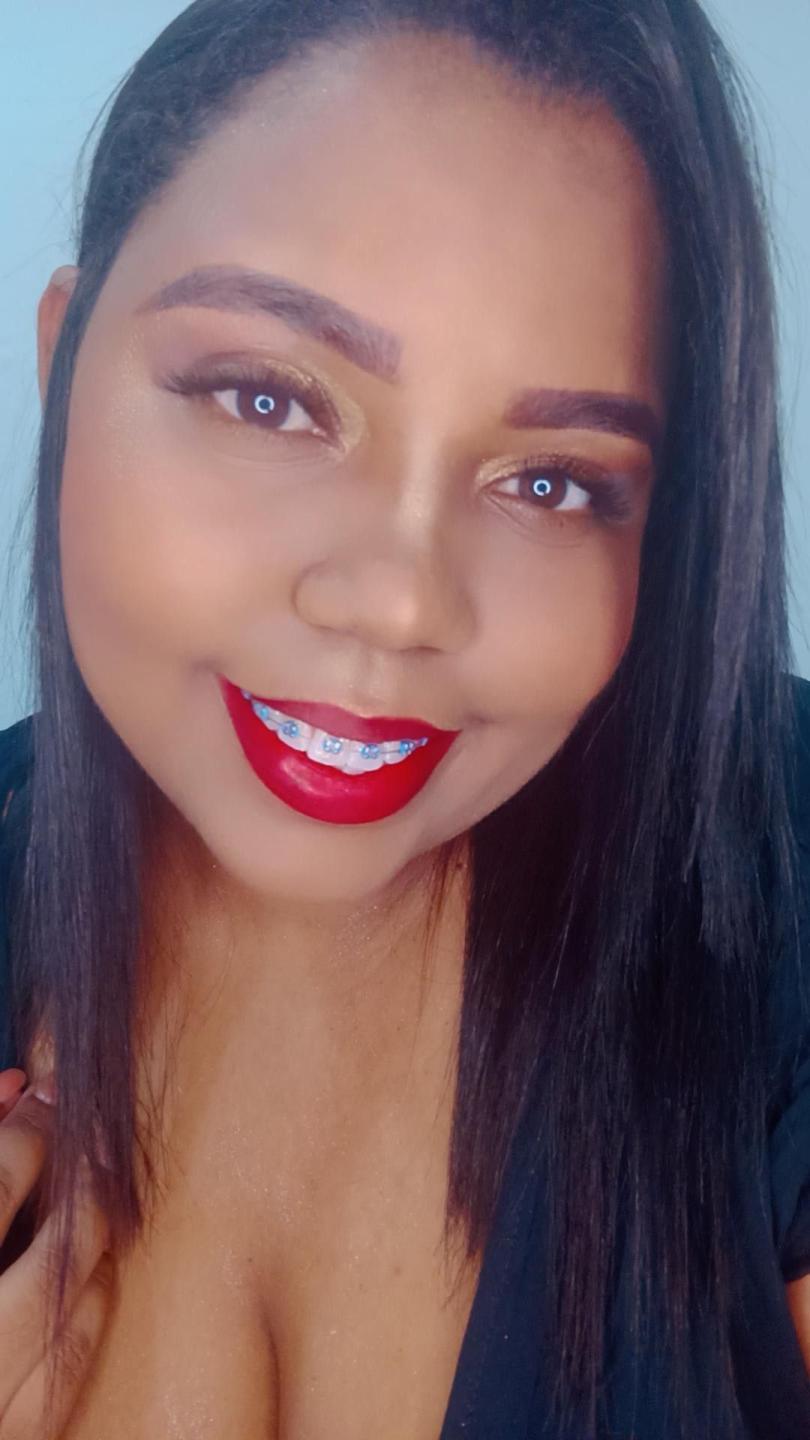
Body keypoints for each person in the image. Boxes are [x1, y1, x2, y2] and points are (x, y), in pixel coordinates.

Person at [0, 0, 808, 1435]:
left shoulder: (778, 878)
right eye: (267, 399)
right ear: (64, 365)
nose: (398, 601)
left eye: (552, 482)